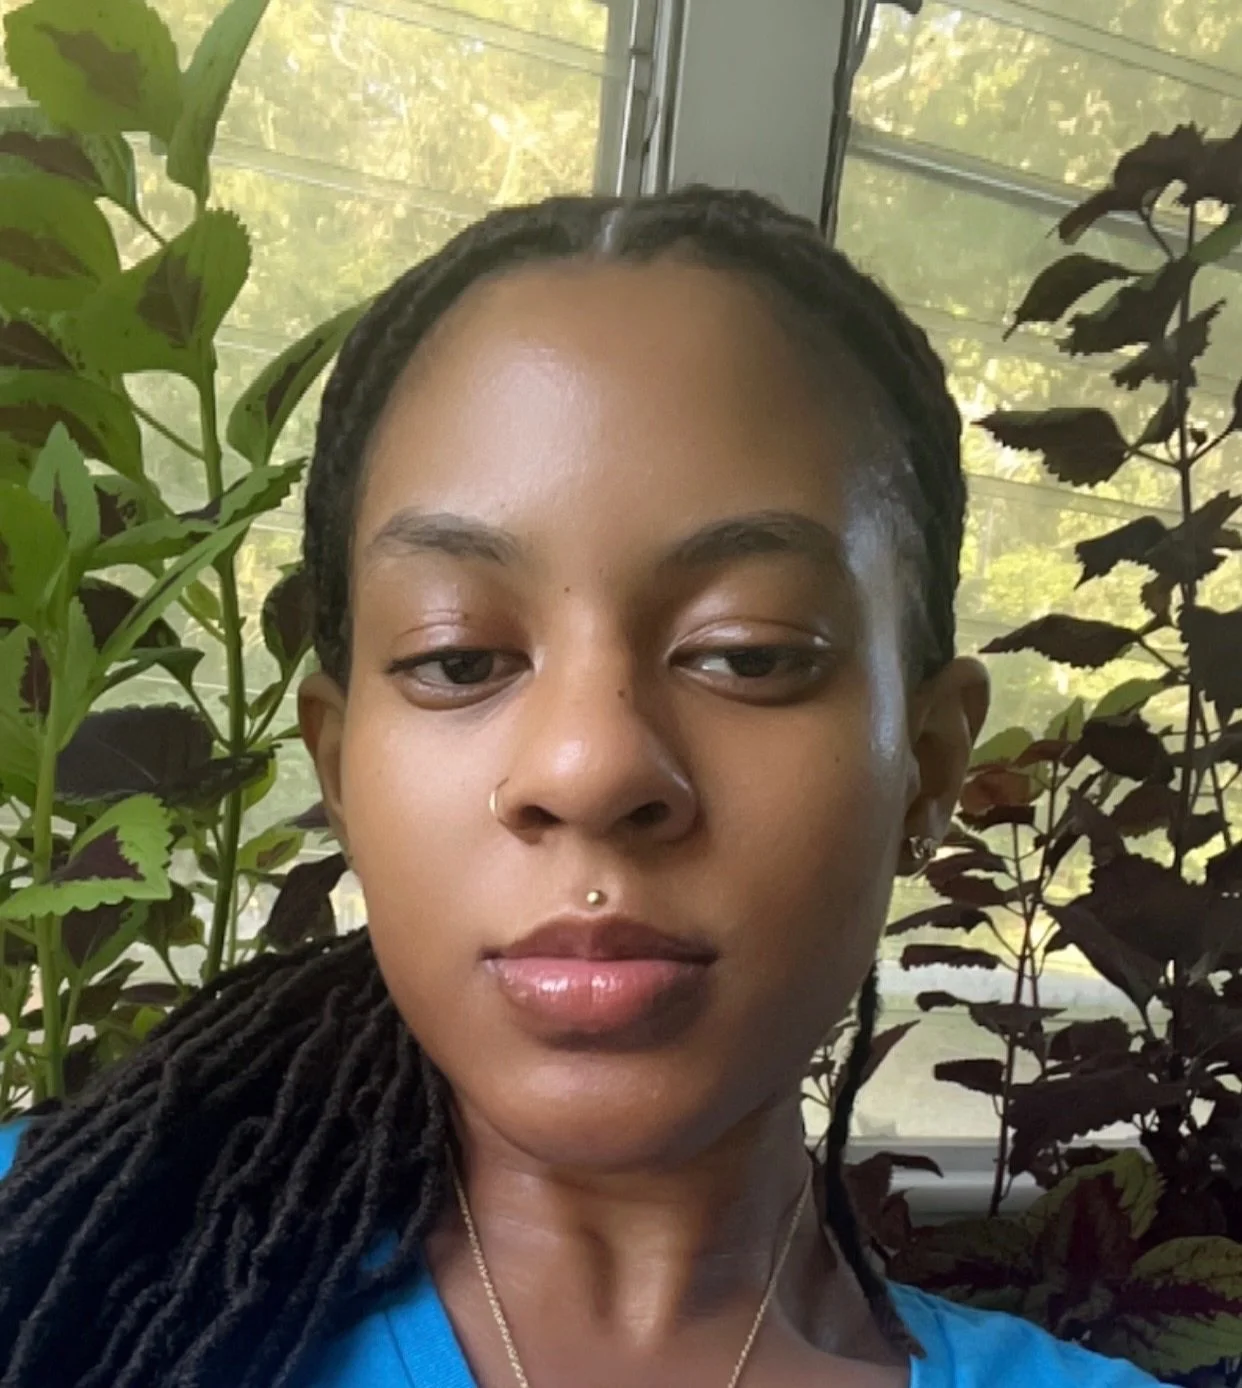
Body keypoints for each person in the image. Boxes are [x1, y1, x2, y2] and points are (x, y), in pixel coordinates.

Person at [0, 187, 1158, 1388]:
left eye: (746, 653)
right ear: (340, 770)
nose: (589, 766)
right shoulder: (54, 1261)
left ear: (927, 765)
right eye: (459, 658)